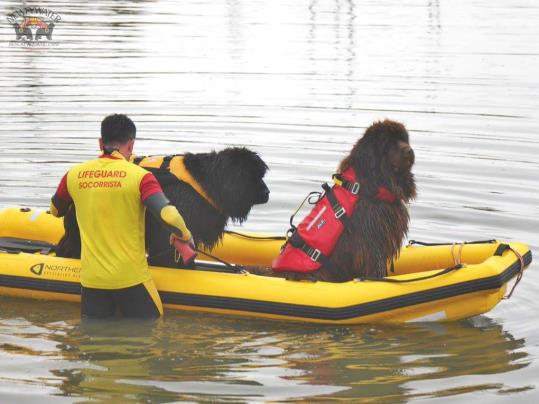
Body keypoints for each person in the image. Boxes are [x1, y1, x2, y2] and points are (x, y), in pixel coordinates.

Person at [50, 114, 194, 319]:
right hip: (131, 280)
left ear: (100, 143)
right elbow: (168, 215)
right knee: (153, 331)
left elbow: (56, 210)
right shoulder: (140, 176)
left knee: (93, 344)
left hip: (92, 283)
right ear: (131, 144)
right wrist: (185, 236)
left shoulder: (74, 174)